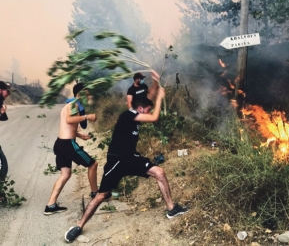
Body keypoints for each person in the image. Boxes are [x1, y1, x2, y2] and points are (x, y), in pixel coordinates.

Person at [64, 86, 188, 243]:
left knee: (159, 172)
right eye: (147, 110)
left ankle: (171, 209)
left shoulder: (136, 114)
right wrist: (160, 98)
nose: (148, 113)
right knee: (101, 195)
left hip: (131, 157)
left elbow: (146, 97)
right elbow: (154, 117)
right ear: (140, 109)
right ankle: (78, 226)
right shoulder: (129, 114)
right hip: (117, 160)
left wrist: (156, 85)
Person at [44, 83, 103, 215]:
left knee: (65, 174)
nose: (88, 97)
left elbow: (67, 126)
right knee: (93, 164)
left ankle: (50, 205)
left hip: (60, 143)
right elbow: (70, 120)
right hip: (67, 144)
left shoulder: (70, 104)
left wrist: (80, 135)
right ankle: (95, 193)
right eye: (86, 94)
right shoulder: (73, 104)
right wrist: (88, 116)